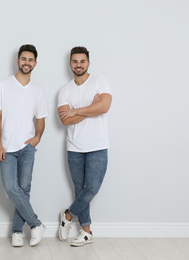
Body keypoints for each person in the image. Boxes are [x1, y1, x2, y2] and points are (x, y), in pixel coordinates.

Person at [0, 44, 48, 247]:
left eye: (30, 60)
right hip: (6, 147)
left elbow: (41, 118)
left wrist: (37, 137)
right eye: (24, 59)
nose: (27, 63)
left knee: (24, 189)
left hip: (27, 147)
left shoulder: (37, 90)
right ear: (18, 60)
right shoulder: (2, 86)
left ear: (35, 63)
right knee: (11, 188)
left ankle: (16, 231)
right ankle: (36, 224)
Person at [57, 46, 112, 247]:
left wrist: (75, 111)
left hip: (98, 145)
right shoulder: (65, 90)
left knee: (91, 189)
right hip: (74, 147)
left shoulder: (100, 81)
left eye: (82, 61)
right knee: (80, 190)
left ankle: (68, 216)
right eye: (74, 61)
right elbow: (65, 120)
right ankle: (86, 231)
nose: (78, 65)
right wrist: (91, 108)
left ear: (88, 63)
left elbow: (104, 106)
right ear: (70, 63)